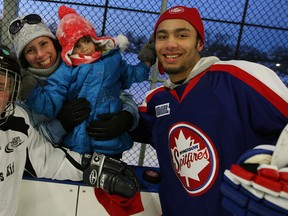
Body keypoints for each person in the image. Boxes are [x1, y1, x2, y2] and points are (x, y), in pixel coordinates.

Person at [127, 6, 288, 216]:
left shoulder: (237, 77)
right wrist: (123, 112)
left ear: (200, 43)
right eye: (162, 36)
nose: (170, 44)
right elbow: (128, 123)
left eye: (182, 35)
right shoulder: (156, 100)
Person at [0, 45, 139, 216]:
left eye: (2, 86)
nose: (40, 54)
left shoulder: (16, 119)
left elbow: (46, 158)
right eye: (30, 50)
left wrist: (94, 167)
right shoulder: (26, 99)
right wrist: (62, 123)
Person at [25, 5, 156, 155]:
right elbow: (49, 103)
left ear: (94, 40)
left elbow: (133, 75)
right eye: (77, 45)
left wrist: (147, 60)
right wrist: (29, 88)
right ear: (68, 49)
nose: (84, 48)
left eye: (86, 41)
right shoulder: (66, 70)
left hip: (110, 140)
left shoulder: (113, 60)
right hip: (79, 144)